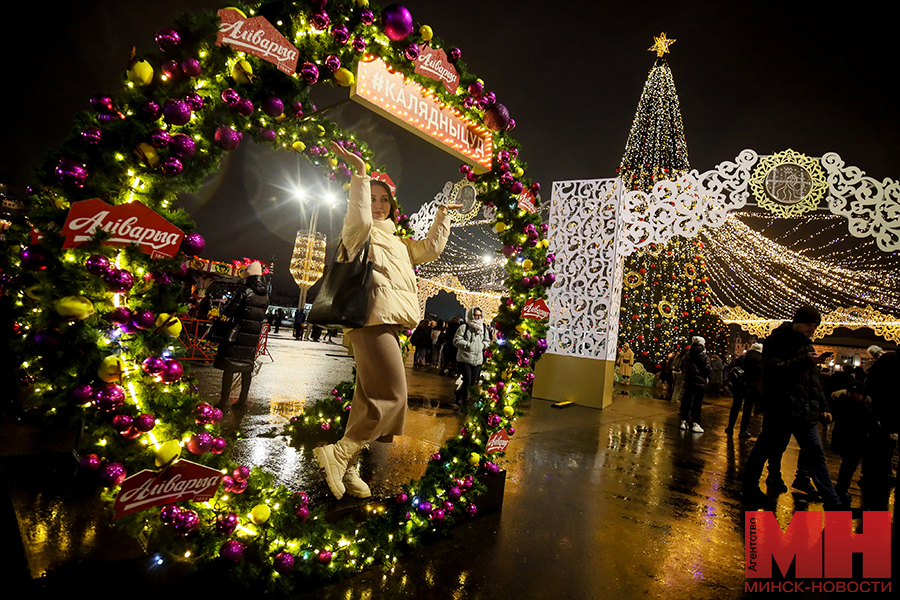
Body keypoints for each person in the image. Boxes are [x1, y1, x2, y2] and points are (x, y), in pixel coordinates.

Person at [313, 141, 456, 500]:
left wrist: (443, 215)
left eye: (384, 200)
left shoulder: (400, 242)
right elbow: (359, 216)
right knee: (395, 397)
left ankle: (348, 466)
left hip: (387, 322)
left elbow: (432, 249)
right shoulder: (359, 232)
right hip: (369, 319)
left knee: (368, 399)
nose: (377, 205)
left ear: (393, 207)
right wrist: (360, 175)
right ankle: (341, 451)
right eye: (372, 198)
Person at [741, 305, 843, 510]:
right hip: (781, 408)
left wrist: (823, 406)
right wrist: (804, 361)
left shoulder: (806, 345)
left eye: (815, 326)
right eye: (809, 324)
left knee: (816, 454)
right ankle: (750, 487)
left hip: (804, 411)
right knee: (765, 448)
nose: (812, 329)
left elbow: (812, 381)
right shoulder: (778, 341)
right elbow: (773, 371)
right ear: (797, 322)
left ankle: (833, 503)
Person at [214, 262, 269, 418]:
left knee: (230, 367)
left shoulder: (244, 291)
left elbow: (230, 310)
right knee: (246, 368)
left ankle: (223, 402)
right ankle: (242, 402)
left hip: (237, 334)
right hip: (252, 337)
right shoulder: (265, 294)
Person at [829, 381, 879, 507]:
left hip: (855, 442)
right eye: (852, 392)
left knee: (849, 465)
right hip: (850, 442)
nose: (854, 395)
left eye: (857, 393)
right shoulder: (847, 406)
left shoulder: (865, 410)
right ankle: (841, 489)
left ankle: (841, 488)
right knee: (849, 465)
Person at [453, 307, 492, 411]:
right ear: (471, 315)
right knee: (467, 380)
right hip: (464, 358)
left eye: (479, 315)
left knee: (472, 382)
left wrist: (482, 346)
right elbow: (456, 340)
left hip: (477, 359)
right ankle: (465, 403)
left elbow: (487, 341)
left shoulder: (483, 328)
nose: (478, 317)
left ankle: (458, 393)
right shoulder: (464, 327)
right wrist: (468, 345)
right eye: (476, 315)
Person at [726, 343, 763, 438]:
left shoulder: (743, 358)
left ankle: (730, 427)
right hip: (752, 388)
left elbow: (730, 367)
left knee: (735, 406)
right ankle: (743, 431)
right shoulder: (762, 361)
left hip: (739, 386)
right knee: (748, 409)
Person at [679, 336, 711, 433]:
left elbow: (682, 366)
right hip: (700, 382)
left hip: (688, 381)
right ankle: (695, 423)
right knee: (697, 403)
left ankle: (683, 421)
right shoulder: (704, 356)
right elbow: (707, 369)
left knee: (686, 401)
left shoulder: (687, 355)